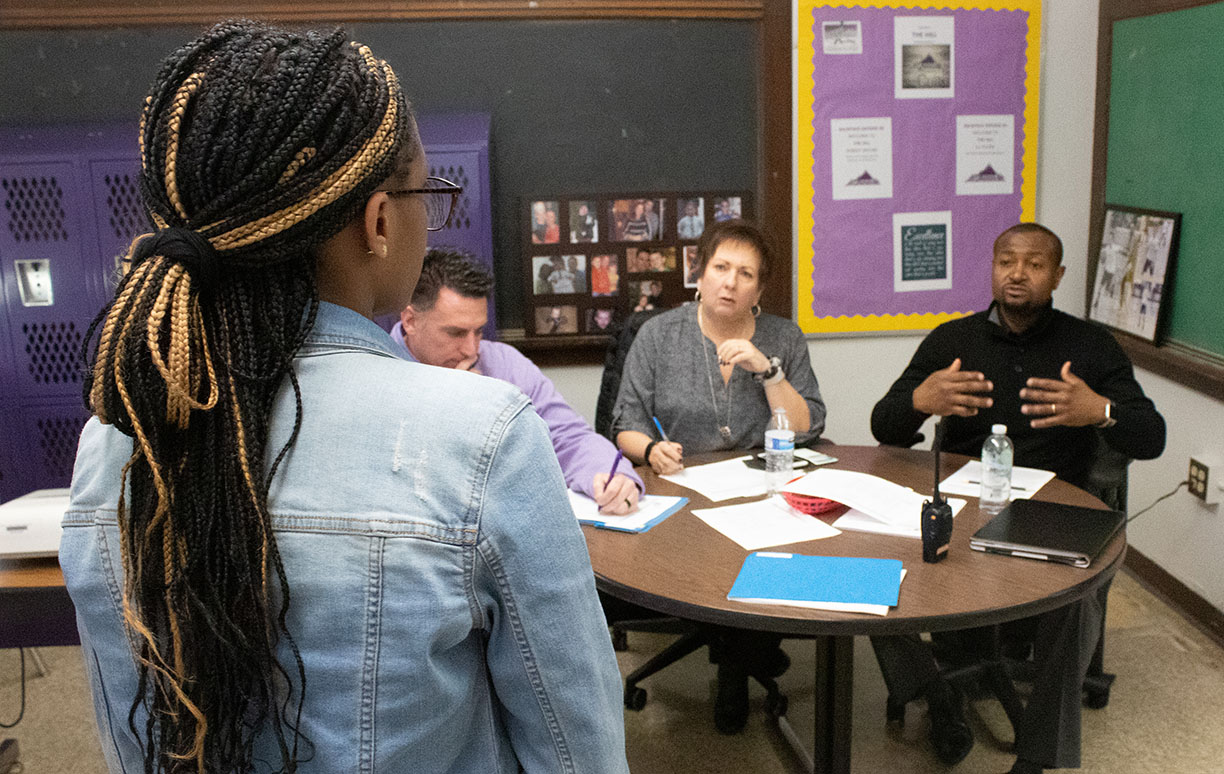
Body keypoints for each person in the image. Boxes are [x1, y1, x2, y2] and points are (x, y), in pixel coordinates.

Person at [60, 21, 627, 774]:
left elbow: (136, 743)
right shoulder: (483, 438)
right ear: (380, 221)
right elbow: (575, 750)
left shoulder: (114, 444)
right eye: (429, 192)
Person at [869, 223, 1165, 774]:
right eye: (1007, 260)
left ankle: (1037, 756)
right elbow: (884, 426)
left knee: (1079, 598)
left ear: (1057, 276)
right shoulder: (952, 340)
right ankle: (937, 695)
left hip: (1054, 508)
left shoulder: (1090, 346)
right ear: (992, 268)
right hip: (961, 501)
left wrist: (1100, 411)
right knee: (873, 561)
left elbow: (1151, 436)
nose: (1018, 273)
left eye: (1033, 263)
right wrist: (919, 399)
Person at [611, 218, 827, 734]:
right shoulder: (658, 335)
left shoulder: (782, 336)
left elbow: (809, 425)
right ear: (700, 274)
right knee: (711, 557)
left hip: (766, 490)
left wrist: (768, 370)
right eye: (720, 268)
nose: (730, 282)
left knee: (772, 548)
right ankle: (746, 657)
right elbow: (625, 425)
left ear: (760, 288)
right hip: (683, 492)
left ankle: (743, 652)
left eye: (745, 273)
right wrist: (653, 449)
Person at [392, 248, 641, 514]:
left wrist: (611, 476)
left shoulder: (503, 363)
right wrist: (458, 411)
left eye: (478, 332)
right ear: (410, 321)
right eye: (455, 333)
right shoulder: (379, 372)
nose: (471, 350)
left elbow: (568, 436)